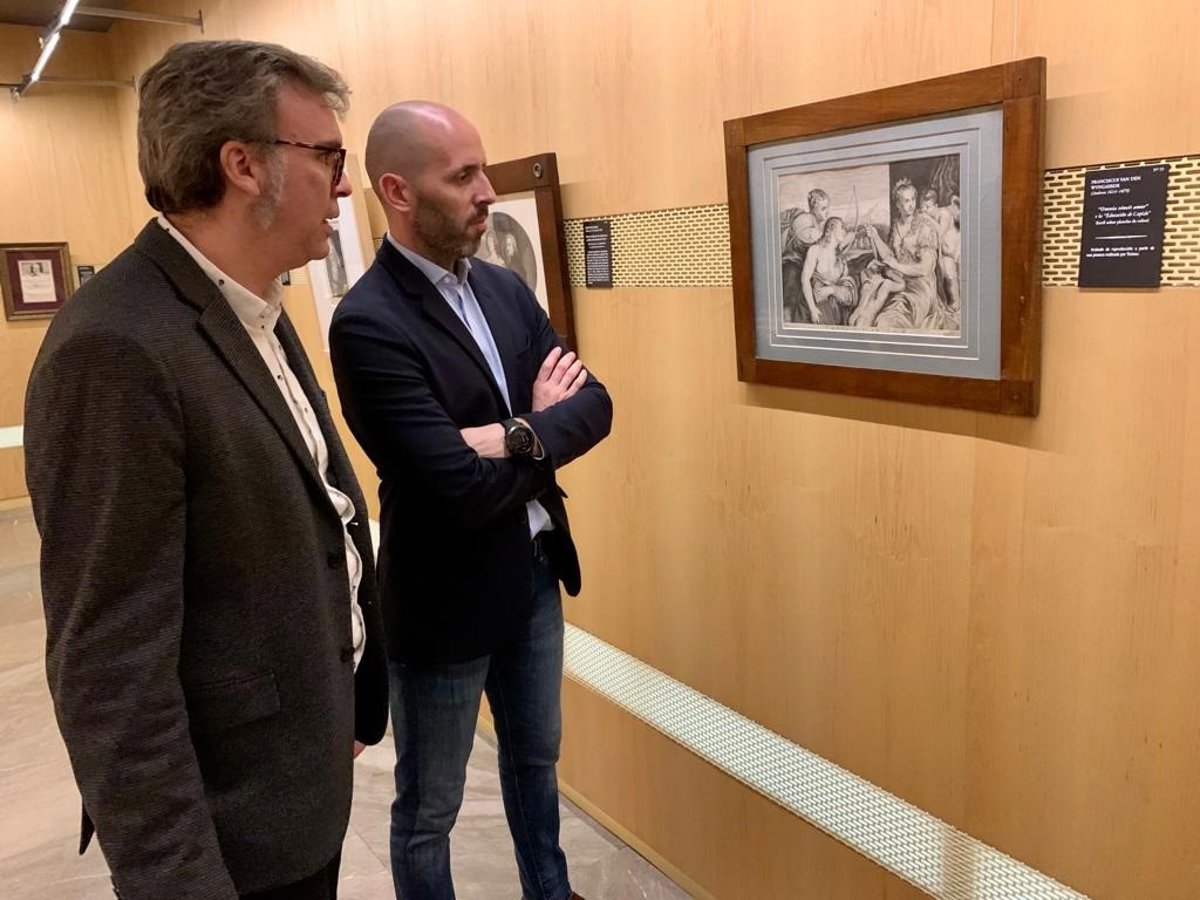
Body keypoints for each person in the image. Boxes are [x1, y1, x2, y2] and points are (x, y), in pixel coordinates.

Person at [23, 40, 388, 900]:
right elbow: (111, 668)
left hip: (298, 783)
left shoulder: (254, 305)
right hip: (228, 834)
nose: (344, 186)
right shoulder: (116, 348)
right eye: (329, 157)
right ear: (243, 165)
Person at [329, 100, 612, 900]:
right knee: (431, 807)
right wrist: (541, 427)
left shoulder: (504, 289)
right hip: (442, 601)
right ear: (398, 191)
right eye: (463, 177)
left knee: (536, 766)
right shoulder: (368, 323)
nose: (487, 191)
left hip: (534, 574)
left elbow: (596, 405)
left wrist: (506, 435)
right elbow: (452, 492)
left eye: (484, 171)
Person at [799, 216, 858, 325]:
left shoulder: (841, 261)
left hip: (836, 309)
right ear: (831, 229)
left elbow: (847, 292)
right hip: (816, 305)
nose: (845, 232)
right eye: (842, 228)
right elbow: (805, 280)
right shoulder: (815, 250)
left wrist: (832, 290)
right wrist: (812, 309)